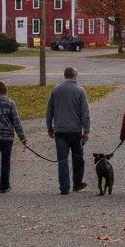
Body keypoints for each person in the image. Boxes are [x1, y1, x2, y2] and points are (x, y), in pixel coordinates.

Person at [46, 66, 91, 194]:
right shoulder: (80, 91)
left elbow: (49, 111)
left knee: (62, 159)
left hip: (60, 131)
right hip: (75, 130)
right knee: (77, 157)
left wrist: (50, 128)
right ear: (75, 76)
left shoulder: (56, 90)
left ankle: (64, 187)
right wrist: (86, 131)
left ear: (65, 76)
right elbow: (85, 113)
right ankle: (77, 183)